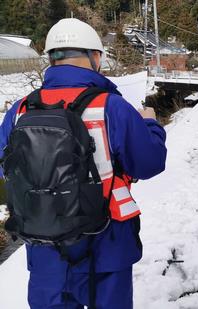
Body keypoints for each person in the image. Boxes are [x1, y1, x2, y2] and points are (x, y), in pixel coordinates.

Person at [0, 18, 167, 308]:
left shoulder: (20, 109)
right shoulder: (111, 106)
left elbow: (7, 168)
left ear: (50, 58)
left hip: (44, 245)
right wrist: (151, 125)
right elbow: (149, 163)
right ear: (96, 57)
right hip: (107, 243)